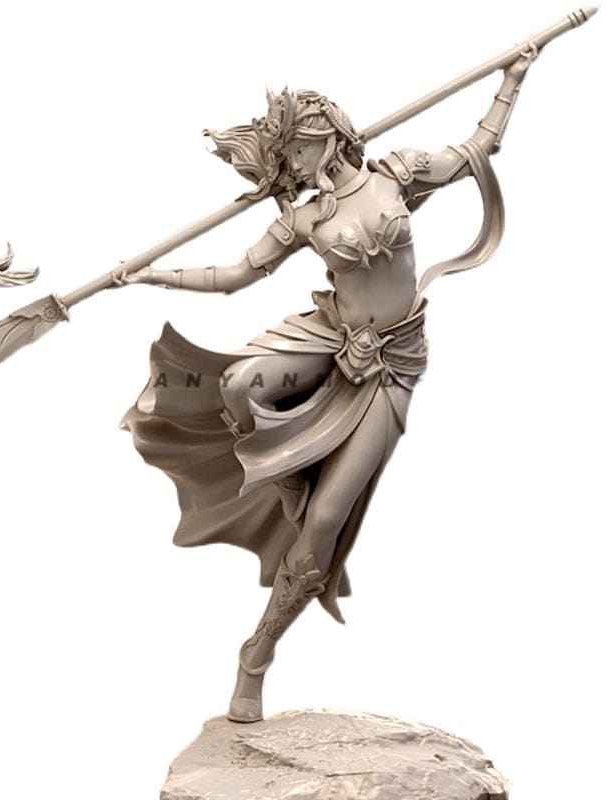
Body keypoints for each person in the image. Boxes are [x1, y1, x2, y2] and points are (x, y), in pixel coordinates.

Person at [119, 53, 533, 723]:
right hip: (328, 341)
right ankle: (285, 477)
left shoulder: (397, 174)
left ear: (329, 136)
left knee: (323, 526)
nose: (293, 162)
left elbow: (477, 150)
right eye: (286, 153)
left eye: (298, 147)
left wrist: (513, 79)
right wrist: (152, 275)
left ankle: (256, 656)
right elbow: (233, 276)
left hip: (392, 362)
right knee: (238, 383)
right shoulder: (304, 220)